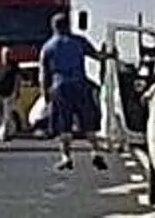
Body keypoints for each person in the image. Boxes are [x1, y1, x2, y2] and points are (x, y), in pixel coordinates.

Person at [39, 12, 107, 171]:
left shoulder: (48, 47)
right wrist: (109, 53)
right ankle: (96, 151)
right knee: (87, 120)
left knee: (64, 124)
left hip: (60, 86)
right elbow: (98, 56)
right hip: (80, 84)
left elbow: (44, 73)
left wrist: (45, 94)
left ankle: (66, 157)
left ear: (53, 27)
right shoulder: (79, 41)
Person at [0, 47, 21, 141]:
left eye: (8, 54)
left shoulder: (14, 66)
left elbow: (17, 79)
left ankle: (4, 135)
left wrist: (16, 92)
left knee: (7, 115)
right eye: (4, 54)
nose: (6, 56)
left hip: (9, 94)